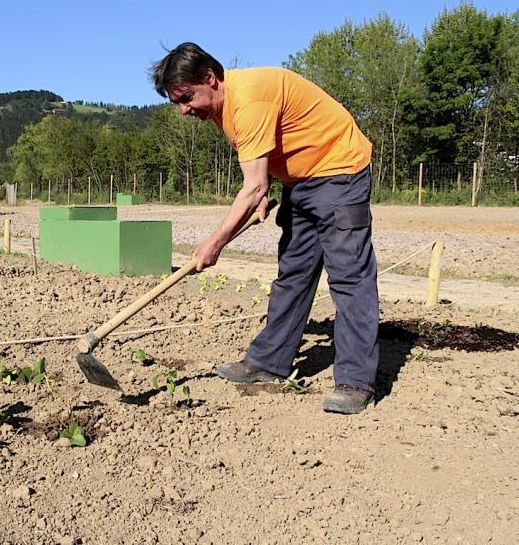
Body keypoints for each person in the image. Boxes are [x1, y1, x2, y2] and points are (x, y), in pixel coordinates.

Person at [151, 42, 379, 414]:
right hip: (300, 182)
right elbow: (262, 167)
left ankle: (356, 381)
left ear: (210, 78)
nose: (183, 110)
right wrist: (262, 193)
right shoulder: (224, 109)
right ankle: (268, 362)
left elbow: (252, 183)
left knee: (348, 275)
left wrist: (216, 242)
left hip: (339, 170)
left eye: (187, 98)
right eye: (177, 102)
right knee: (293, 272)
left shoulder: (250, 98)